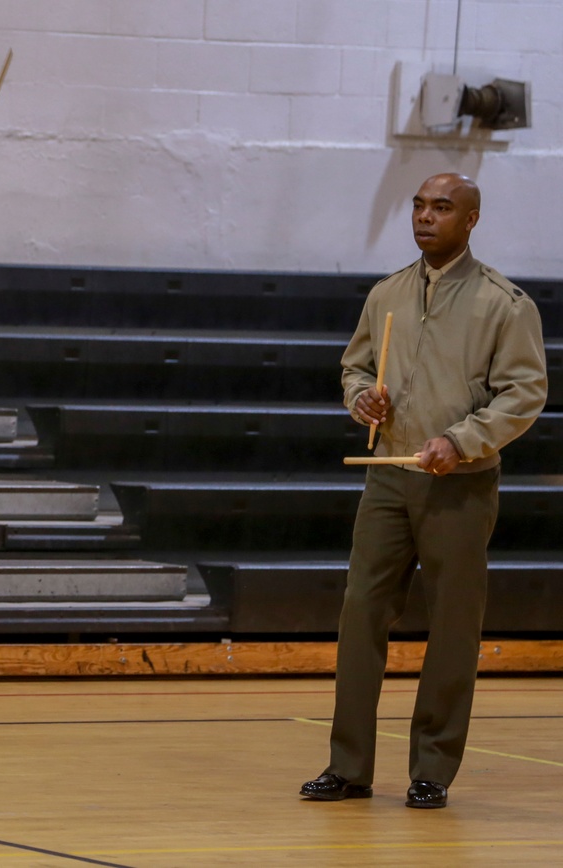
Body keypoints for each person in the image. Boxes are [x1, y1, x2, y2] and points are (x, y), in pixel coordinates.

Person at [300, 173, 547, 809]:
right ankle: (348, 766)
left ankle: (432, 769)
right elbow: (355, 365)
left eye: (441, 207)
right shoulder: (386, 293)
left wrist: (461, 440)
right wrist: (363, 398)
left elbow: (525, 393)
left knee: (454, 627)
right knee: (360, 618)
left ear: (470, 221)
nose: (424, 217)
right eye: (418, 206)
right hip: (386, 477)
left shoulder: (505, 303)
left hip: (458, 485)